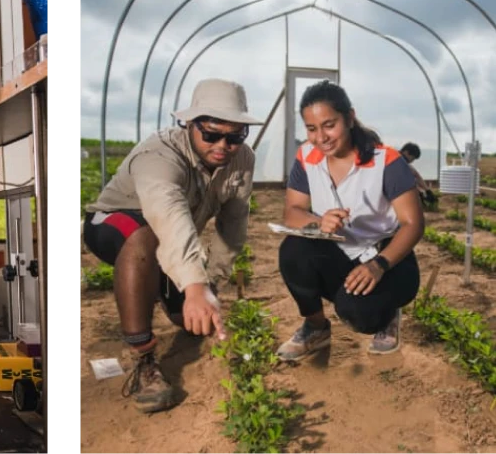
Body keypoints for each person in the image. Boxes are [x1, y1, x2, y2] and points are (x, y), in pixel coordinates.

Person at [82, 78, 261, 413]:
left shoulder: (241, 160)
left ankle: (168, 290)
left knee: (191, 321)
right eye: (211, 134)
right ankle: (143, 359)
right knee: (146, 236)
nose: (223, 145)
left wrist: (210, 286)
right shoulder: (160, 156)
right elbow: (169, 218)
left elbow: (233, 223)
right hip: (116, 226)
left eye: (235, 136)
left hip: (170, 241)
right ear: (190, 125)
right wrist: (194, 285)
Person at [276, 80, 424, 361]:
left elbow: (413, 224)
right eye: (311, 129)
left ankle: (388, 312)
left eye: (329, 125)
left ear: (350, 118)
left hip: (388, 258)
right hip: (341, 253)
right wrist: (316, 221)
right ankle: (316, 327)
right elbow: (292, 211)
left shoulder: (387, 161)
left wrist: (379, 265)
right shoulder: (307, 157)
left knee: (361, 316)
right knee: (293, 250)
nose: (321, 137)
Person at [399, 142, 437, 207]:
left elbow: (415, 174)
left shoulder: (401, 160)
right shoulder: (397, 161)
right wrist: (419, 191)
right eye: (412, 158)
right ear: (406, 152)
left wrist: (427, 191)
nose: (412, 161)